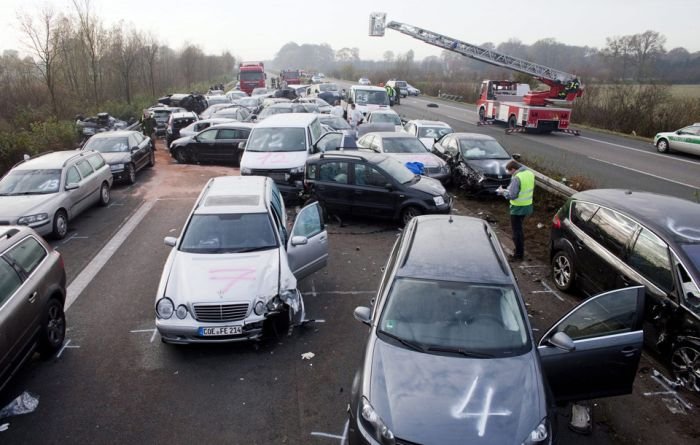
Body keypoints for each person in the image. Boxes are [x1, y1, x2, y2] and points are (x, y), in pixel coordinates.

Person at [496, 160, 535, 261]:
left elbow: (512, 195)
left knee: (517, 232)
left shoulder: (517, 177)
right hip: (527, 206)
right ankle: (519, 249)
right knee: (519, 229)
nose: (509, 173)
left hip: (517, 208)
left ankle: (518, 254)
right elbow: (522, 189)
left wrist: (502, 192)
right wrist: (507, 190)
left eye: (509, 171)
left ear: (513, 169)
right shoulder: (529, 173)